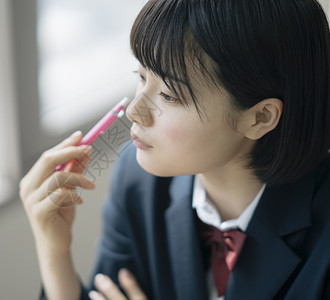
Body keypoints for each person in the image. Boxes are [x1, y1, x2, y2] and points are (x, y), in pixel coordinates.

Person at [19, 0, 330, 299]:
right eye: (141, 77)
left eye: (169, 95)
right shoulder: (139, 181)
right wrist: (54, 252)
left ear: (260, 117)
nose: (135, 112)